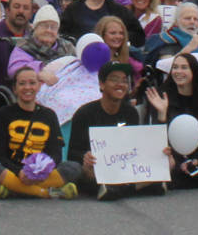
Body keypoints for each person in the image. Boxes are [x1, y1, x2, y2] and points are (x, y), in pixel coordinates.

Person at [68, 62, 172, 200]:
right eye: (114, 79)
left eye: (124, 80)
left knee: (168, 162)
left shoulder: (130, 112)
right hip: (95, 169)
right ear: (102, 84)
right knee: (86, 172)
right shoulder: (85, 113)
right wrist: (85, 157)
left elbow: (136, 148)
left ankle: (116, 190)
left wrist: (162, 115)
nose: (121, 84)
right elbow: (72, 152)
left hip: (122, 168)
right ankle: (139, 187)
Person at [0, 62, 81, 199]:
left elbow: (56, 153)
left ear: (39, 86)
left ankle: (14, 188)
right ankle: (45, 192)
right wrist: (19, 172)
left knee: (74, 167)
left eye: (32, 83)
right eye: (22, 84)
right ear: (14, 89)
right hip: (13, 170)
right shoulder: (2, 114)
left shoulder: (49, 115)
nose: (27, 88)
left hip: (41, 173)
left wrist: (40, 172)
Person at [139, 2, 198, 67]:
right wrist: (190, 47)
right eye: (187, 18)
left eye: (196, 19)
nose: (192, 22)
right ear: (177, 22)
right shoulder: (166, 39)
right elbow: (165, 67)